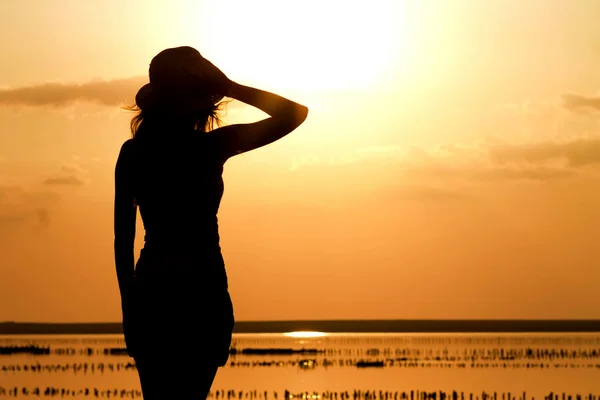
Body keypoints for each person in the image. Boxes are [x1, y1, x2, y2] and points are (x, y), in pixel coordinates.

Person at [113, 46, 308, 399]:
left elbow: (122, 239)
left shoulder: (135, 153)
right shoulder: (212, 146)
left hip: (155, 291)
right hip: (201, 290)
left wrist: (129, 307)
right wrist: (230, 86)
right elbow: (294, 114)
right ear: (202, 102)